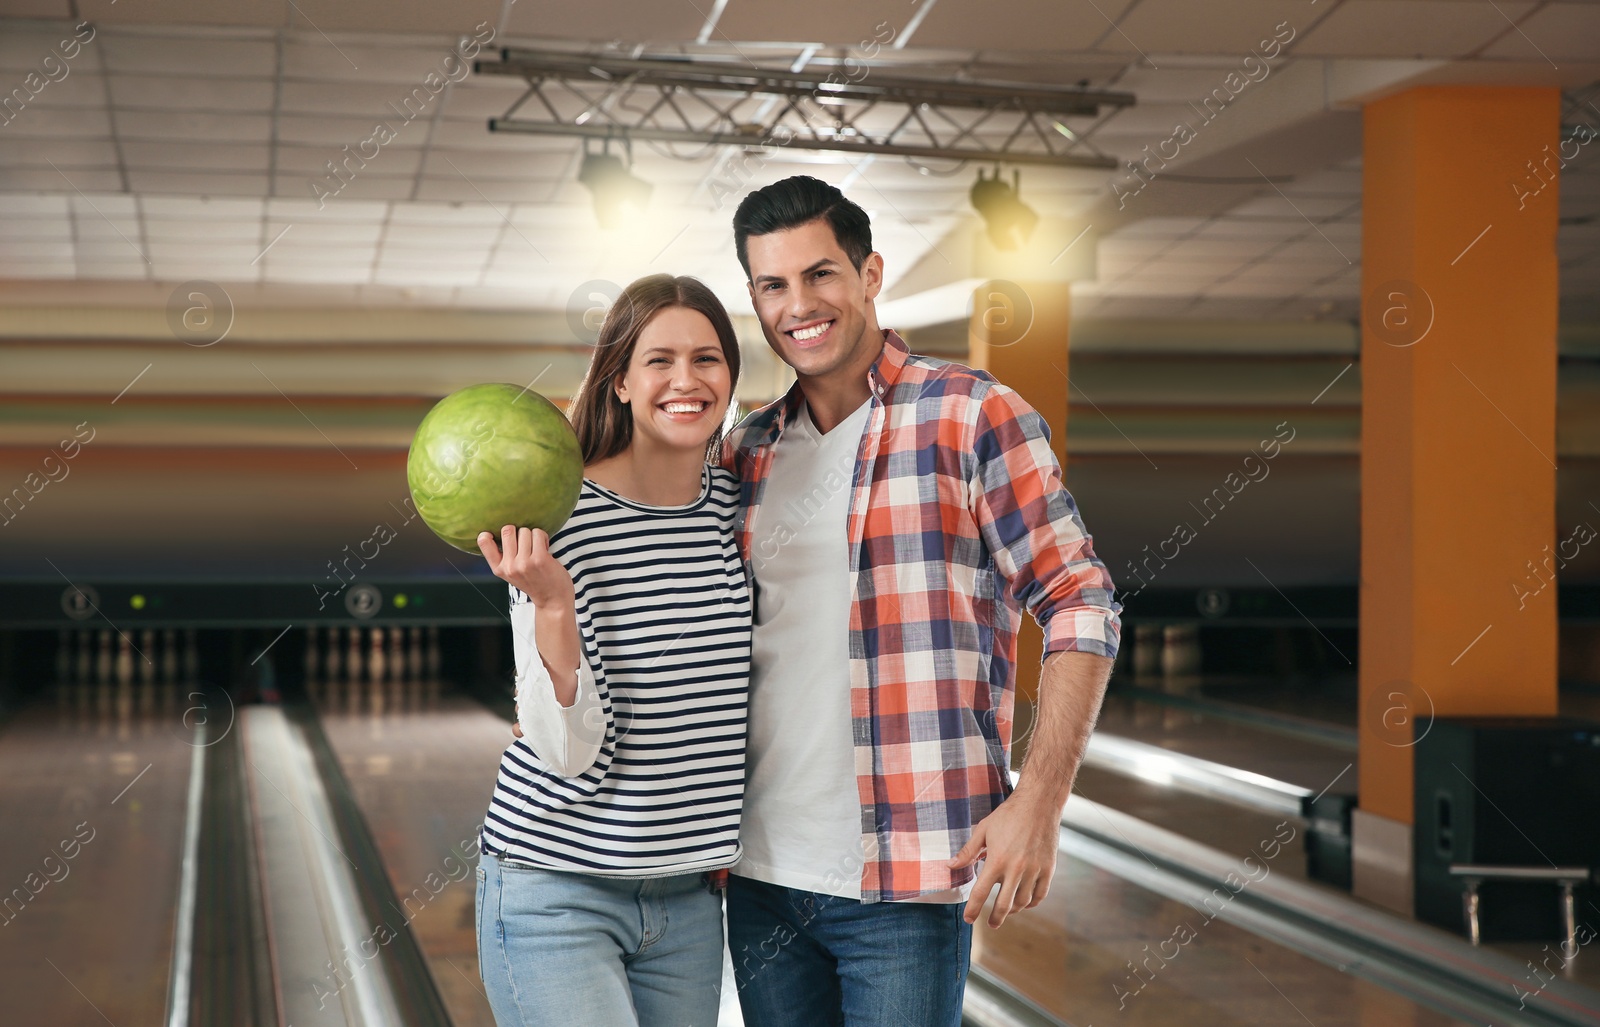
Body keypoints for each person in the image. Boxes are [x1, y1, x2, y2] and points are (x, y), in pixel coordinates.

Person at [721, 176, 1122, 1026]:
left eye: (821, 274)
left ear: (869, 274)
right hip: (757, 876)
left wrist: (1040, 801)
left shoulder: (972, 416)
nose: (800, 304)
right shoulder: (745, 450)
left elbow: (1080, 601)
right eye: (773, 285)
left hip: (905, 884)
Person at [473, 273, 752, 1027]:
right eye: (659, 360)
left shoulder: (740, 508)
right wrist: (553, 602)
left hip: (691, 902)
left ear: (731, 377)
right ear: (620, 380)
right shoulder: (558, 520)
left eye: (708, 359)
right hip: (554, 889)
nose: (686, 380)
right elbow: (563, 749)